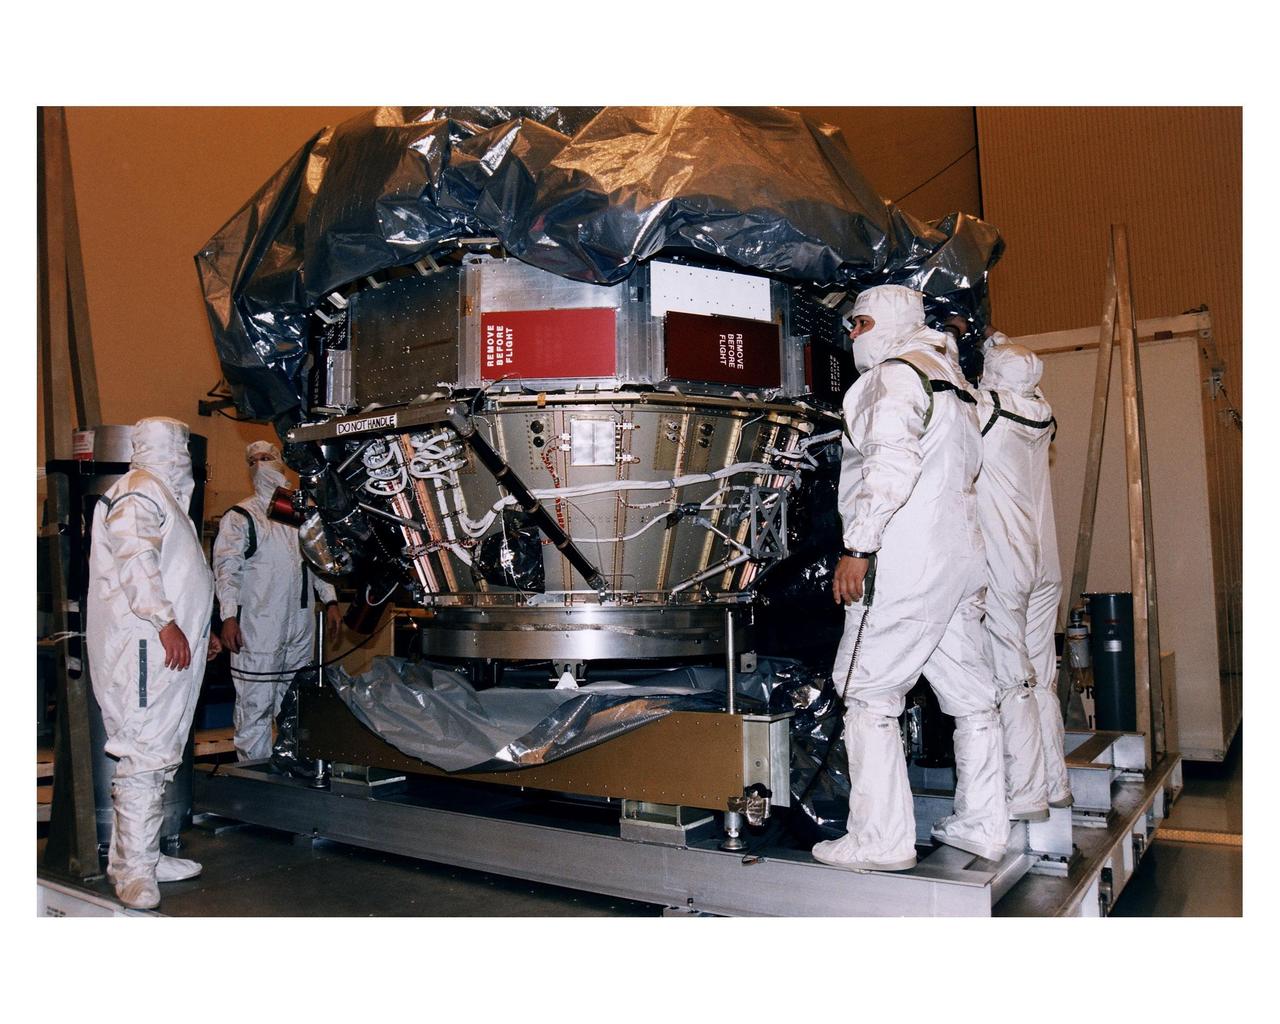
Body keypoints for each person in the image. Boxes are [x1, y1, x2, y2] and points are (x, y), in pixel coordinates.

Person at [811, 285, 1008, 872]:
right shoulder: (953, 380)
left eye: (861, 323)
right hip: (960, 558)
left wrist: (858, 546)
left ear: (890, 321)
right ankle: (982, 825)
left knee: (868, 692)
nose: (852, 335)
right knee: (973, 698)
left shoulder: (892, 376)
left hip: (904, 558)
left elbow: (890, 465)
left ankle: (880, 840)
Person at [86, 417, 221, 910]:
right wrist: (165, 623)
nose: (184, 458)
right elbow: (136, 560)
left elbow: (178, 573)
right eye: (180, 448)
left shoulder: (163, 497)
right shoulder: (140, 491)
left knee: (163, 751)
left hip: (165, 649)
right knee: (144, 751)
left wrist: (198, 631)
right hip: (144, 648)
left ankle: (148, 854)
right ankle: (132, 870)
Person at [974, 341, 1073, 814]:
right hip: (1045, 563)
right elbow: (1018, 376)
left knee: (1013, 679)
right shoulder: (1043, 414)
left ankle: (1027, 793)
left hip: (1006, 561)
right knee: (1042, 677)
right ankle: (1057, 784)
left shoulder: (985, 409)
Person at [214, 440, 340, 762]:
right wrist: (228, 617)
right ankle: (254, 771)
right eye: (253, 460)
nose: (261, 465)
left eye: (267, 457)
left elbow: (319, 558)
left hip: (300, 625)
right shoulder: (241, 516)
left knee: (295, 700)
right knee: (255, 702)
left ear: (281, 462)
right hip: (259, 626)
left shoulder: (300, 512)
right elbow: (226, 570)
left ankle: (292, 766)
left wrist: (330, 600)